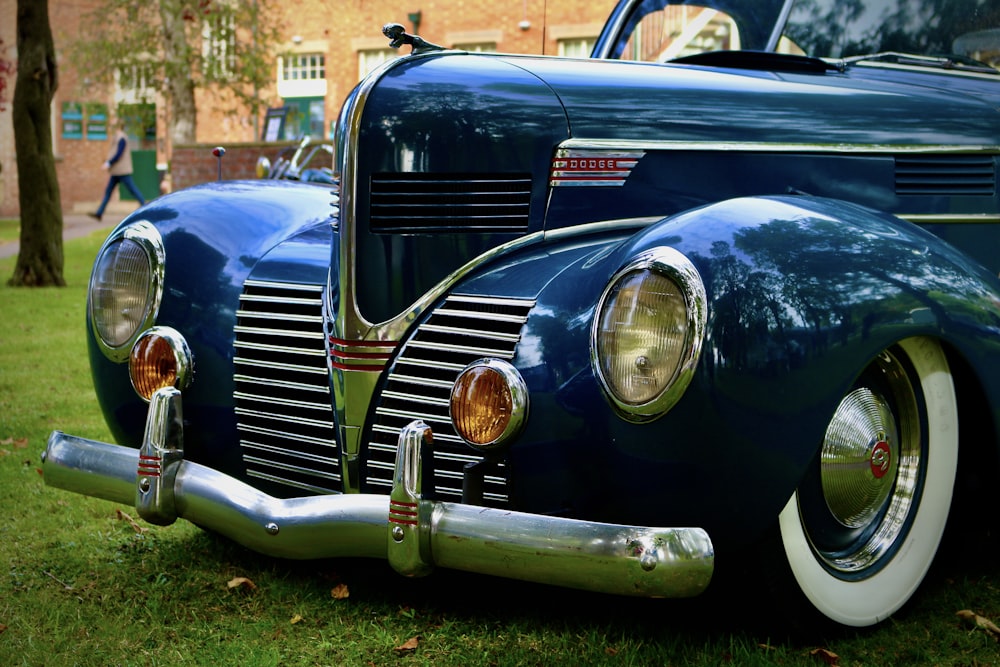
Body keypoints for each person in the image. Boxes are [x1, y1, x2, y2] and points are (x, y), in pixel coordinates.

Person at [88, 121, 146, 222]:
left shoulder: (121, 138)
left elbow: (118, 154)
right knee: (108, 192)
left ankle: (144, 207)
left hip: (122, 170)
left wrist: (108, 163)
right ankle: (99, 213)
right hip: (116, 171)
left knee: (132, 189)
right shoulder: (117, 137)